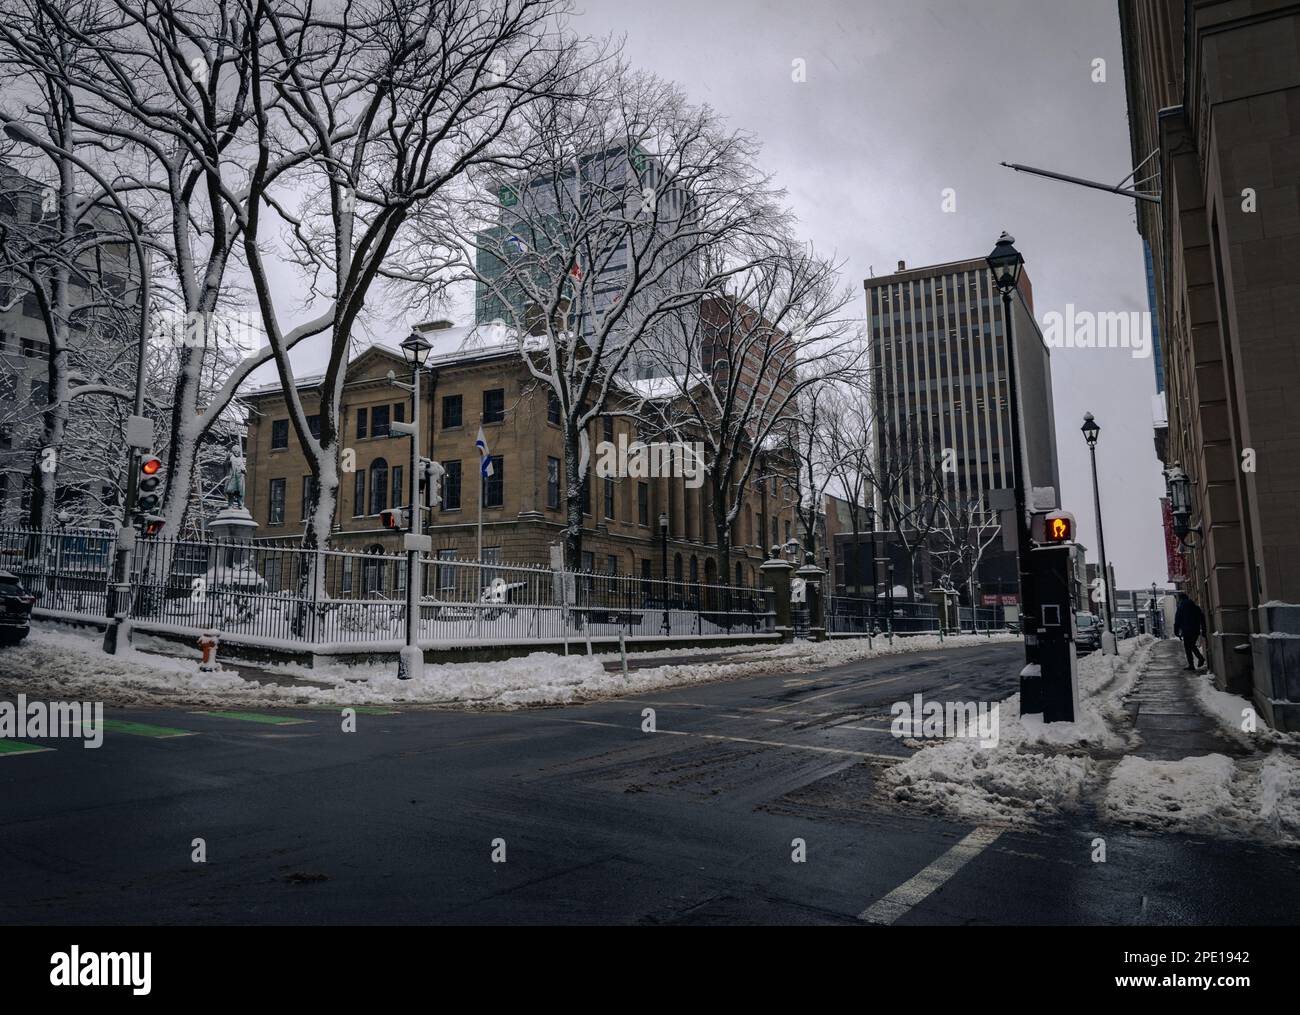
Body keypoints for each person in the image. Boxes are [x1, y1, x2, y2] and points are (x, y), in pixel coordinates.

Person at [1173, 591, 1206, 671]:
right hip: (1195, 630)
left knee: (1188, 647)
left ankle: (1193, 663)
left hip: (1187, 630)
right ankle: (1199, 659)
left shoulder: (1181, 607)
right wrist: (1204, 629)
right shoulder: (1195, 606)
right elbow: (1202, 617)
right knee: (1192, 645)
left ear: (1181, 599)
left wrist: (1176, 631)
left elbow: (1177, 619)